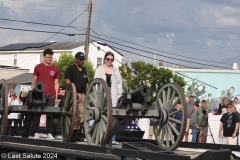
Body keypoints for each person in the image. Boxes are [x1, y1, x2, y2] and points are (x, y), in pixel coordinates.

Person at [30, 48, 60, 140]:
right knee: (37, 113)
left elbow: (56, 83)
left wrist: (56, 96)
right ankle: (36, 132)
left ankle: (50, 133)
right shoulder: (38, 67)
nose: (49, 59)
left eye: (51, 57)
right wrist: (33, 88)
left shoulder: (55, 68)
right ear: (44, 57)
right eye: (47, 57)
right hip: (40, 94)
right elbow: (34, 79)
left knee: (50, 115)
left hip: (51, 94)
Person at [94, 51, 122, 145]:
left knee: (112, 117)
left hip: (113, 95)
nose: (109, 61)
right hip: (103, 95)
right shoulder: (99, 69)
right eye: (108, 59)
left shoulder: (116, 70)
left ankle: (112, 138)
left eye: (111, 59)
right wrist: (98, 96)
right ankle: (102, 137)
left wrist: (119, 97)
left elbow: (119, 84)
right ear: (105, 59)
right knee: (103, 117)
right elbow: (96, 83)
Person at [65, 52, 88, 142]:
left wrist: (87, 94)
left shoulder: (85, 70)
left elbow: (86, 83)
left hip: (82, 94)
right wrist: (73, 90)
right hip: (73, 94)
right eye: (80, 59)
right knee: (74, 114)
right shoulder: (71, 69)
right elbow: (67, 80)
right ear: (76, 59)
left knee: (81, 115)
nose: (82, 61)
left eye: (83, 59)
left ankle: (76, 132)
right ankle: (72, 133)